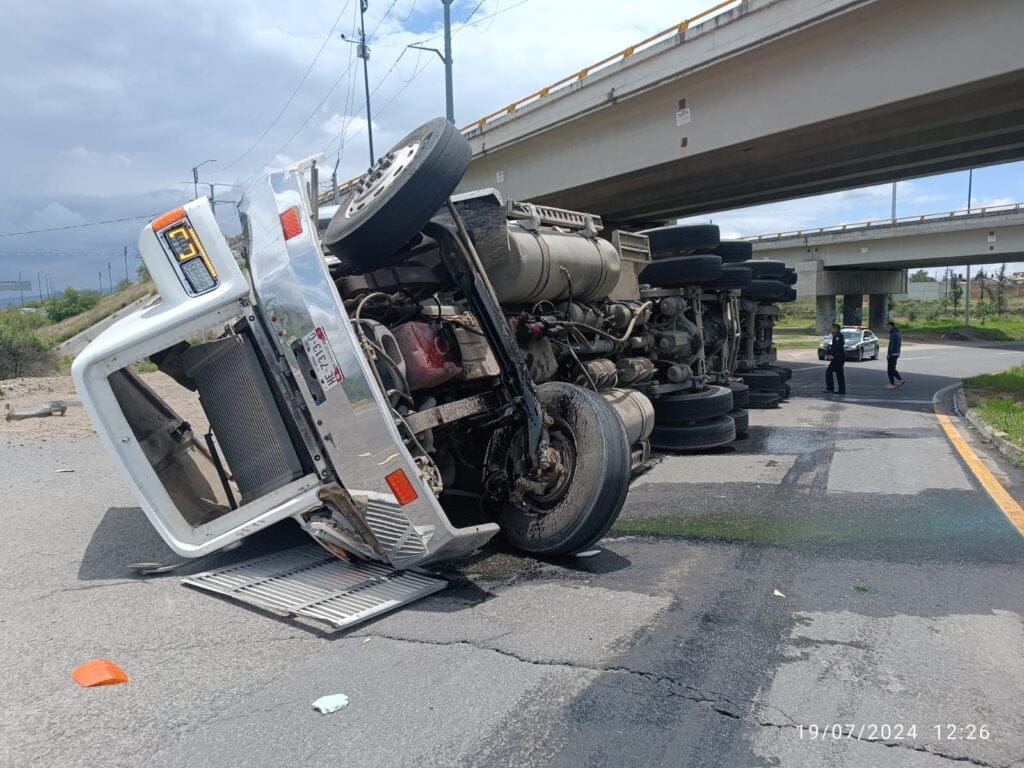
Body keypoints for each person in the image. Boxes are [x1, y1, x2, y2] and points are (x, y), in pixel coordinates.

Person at [821, 323, 846, 395]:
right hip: (839, 357)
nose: (831, 329)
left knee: (829, 371)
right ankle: (841, 390)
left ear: (836, 329)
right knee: (839, 374)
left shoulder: (838, 336)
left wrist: (830, 354)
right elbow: (834, 346)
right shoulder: (836, 335)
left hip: (838, 357)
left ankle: (830, 388)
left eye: (832, 328)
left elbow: (837, 347)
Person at [886, 321, 904, 389]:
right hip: (896, 353)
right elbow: (899, 344)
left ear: (892, 326)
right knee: (892, 369)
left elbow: (891, 345)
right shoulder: (898, 333)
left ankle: (892, 384)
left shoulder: (893, 334)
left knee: (890, 370)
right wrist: (898, 352)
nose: (887, 329)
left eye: (888, 327)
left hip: (892, 354)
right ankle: (900, 380)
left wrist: (889, 353)